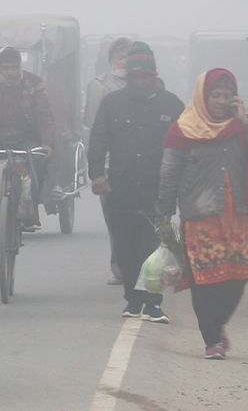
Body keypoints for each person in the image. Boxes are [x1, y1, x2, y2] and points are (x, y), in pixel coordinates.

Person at [157, 68, 248, 359]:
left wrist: (246, 122)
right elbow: (169, 174)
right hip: (199, 217)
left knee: (240, 275)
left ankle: (217, 323)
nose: (221, 101)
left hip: (236, 214)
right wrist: (163, 215)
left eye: (228, 96)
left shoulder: (243, 128)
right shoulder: (182, 129)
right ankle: (211, 339)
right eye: (216, 95)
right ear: (202, 96)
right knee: (205, 281)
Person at [88, 41, 184, 323]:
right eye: (135, 76)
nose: (140, 81)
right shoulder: (111, 104)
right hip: (121, 188)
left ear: (154, 77)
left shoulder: (172, 104)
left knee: (154, 246)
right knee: (126, 247)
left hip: (158, 189)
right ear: (127, 77)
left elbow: (186, 145)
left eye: (145, 76)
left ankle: (154, 303)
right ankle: (133, 300)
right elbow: (97, 141)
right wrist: (97, 175)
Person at [0, 46, 55, 277]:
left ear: (21, 67)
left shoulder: (34, 84)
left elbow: (45, 116)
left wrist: (47, 143)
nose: (10, 72)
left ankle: (27, 212)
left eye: (14, 67)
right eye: (5, 68)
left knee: (38, 163)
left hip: (26, 142)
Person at [84, 37, 133, 286]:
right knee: (115, 216)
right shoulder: (99, 86)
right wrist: (96, 170)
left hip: (142, 162)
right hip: (110, 163)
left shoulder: (150, 84)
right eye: (119, 56)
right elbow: (94, 129)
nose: (124, 61)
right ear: (111, 60)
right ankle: (121, 266)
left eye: (128, 55)